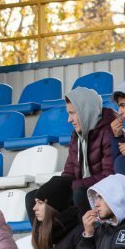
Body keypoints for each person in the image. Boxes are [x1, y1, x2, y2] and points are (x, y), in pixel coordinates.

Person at [26, 87, 115, 220]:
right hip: (79, 188)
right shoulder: (76, 136)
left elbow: (110, 174)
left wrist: (77, 184)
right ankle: (45, 234)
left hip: (101, 193)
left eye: (73, 113)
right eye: (69, 113)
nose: (69, 119)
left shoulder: (109, 132)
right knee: (33, 197)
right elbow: (69, 172)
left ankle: (88, 232)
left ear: (85, 111)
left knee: (79, 193)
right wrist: (55, 188)